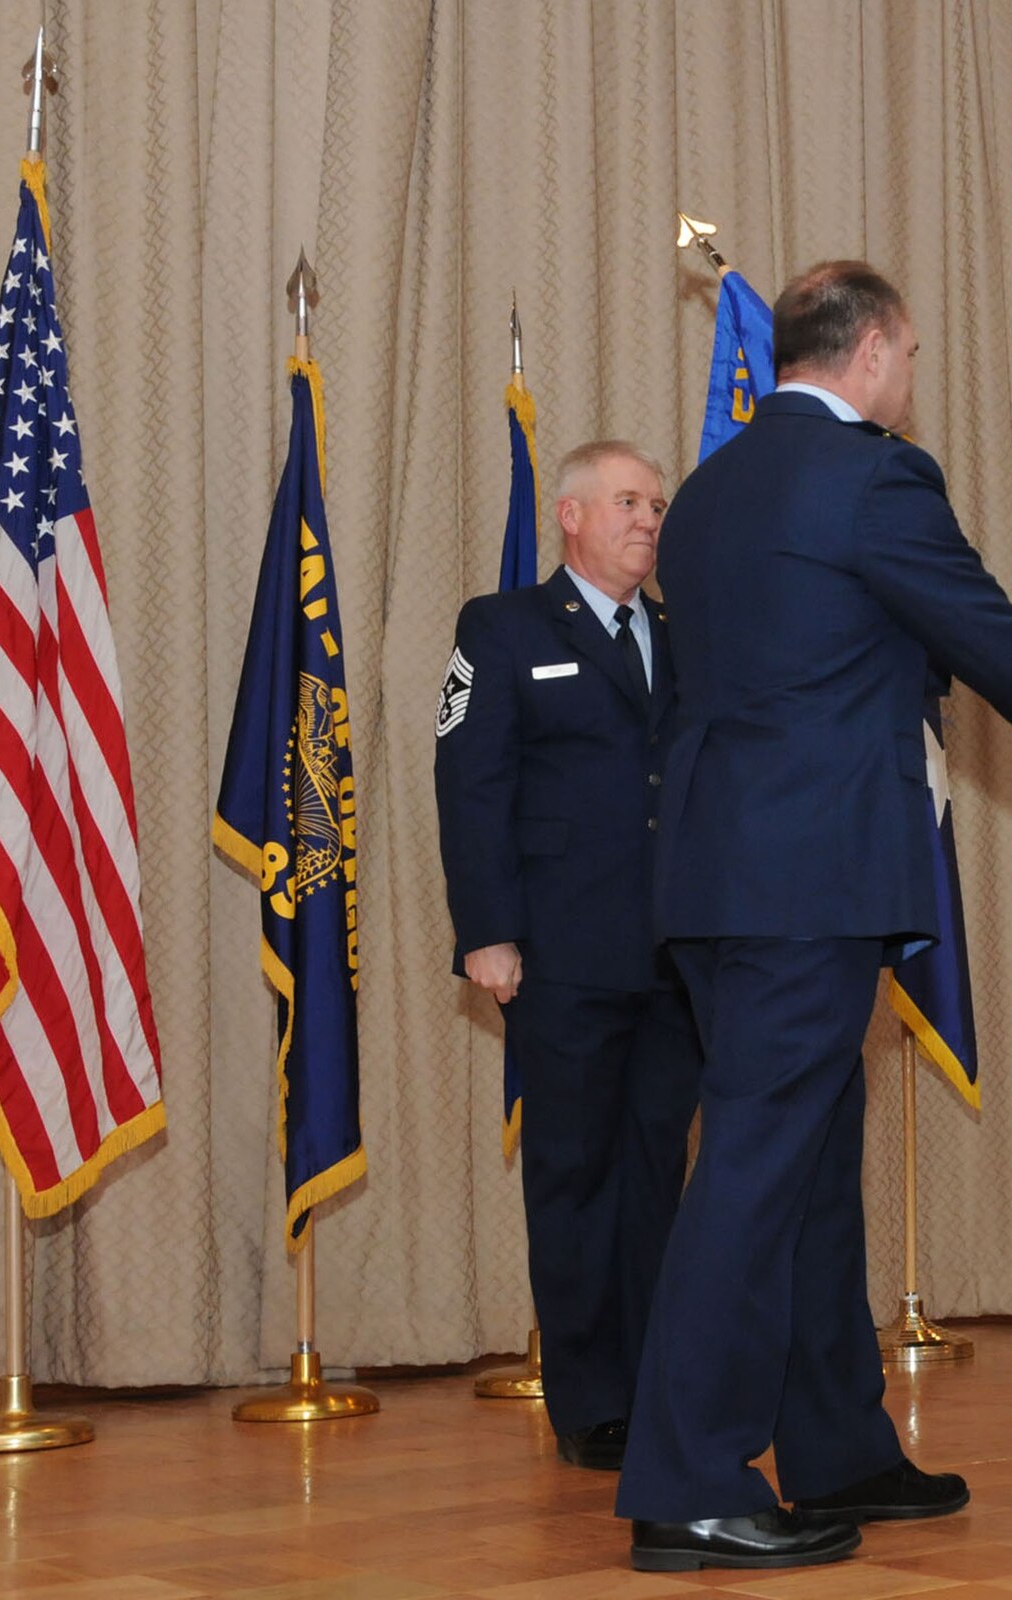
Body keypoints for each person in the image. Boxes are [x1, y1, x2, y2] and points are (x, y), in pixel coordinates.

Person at [618, 260, 1012, 1572]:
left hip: (720, 880)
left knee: (809, 1161)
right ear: (878, 349)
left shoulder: (712, 489)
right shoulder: (879, 477)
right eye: (911, 352)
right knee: (757, 1170)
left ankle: (834, 1445)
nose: (911, 374)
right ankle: (687, 1482)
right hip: (811, 876)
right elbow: (987, 632)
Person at [433, 441, 703, 1473]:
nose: (649, 519)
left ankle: (652, 1385)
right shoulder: (501, 629)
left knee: (654, 1175)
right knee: (574, 1175)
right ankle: (591, 1401)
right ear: (572, 515)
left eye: (657, 504)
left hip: (672, 957)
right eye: (630, 501)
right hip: (559, 956)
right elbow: (470, 784)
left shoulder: (681, 634)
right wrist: (486, 932)